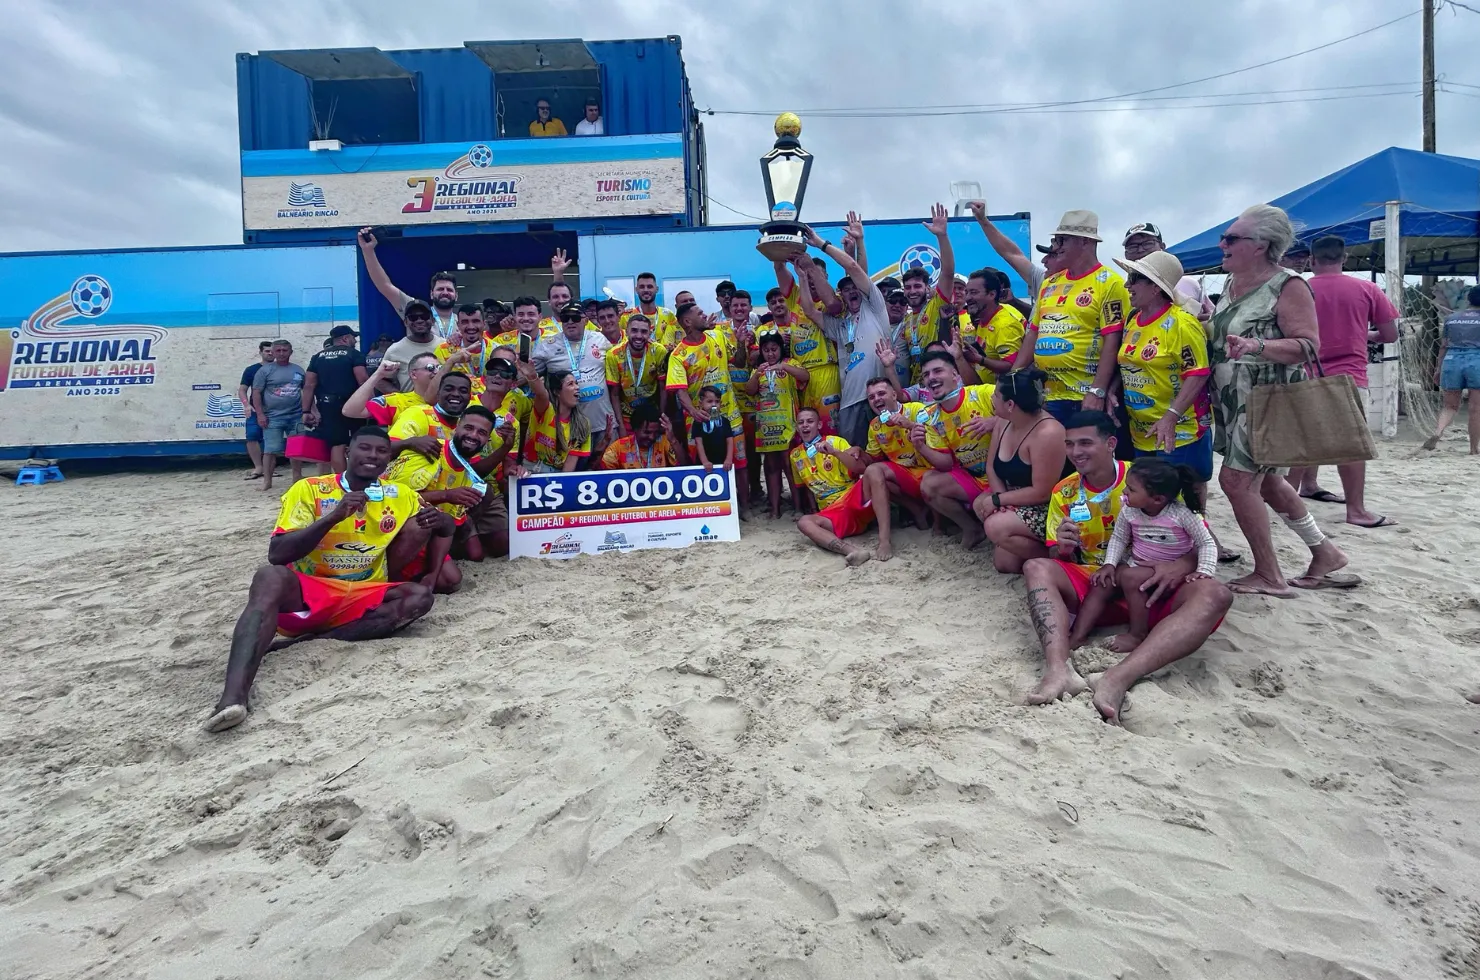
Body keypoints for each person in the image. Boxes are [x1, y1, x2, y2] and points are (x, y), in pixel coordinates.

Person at [205, 426, 452, 733]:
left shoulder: (399, 494)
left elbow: (447, 529)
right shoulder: (310, 488)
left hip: (363, 593)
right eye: (365, 448)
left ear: (389, 459)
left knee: (420, 598)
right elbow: (277, 553)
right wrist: (333, 517)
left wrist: (440, 528)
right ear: (348, 453)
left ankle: (312, 642)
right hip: (310, 593)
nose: (373, 456)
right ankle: (232, 699)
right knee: (269, 577)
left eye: (381, 451)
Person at [1022, 412, 1233, 722]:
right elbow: (1058, 561)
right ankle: (1057, 669)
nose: (1076, 452)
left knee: (1217, 594)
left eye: (1085, 443)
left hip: (1154, 584)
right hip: (1099, 582)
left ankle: (1118, 678)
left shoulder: (1147, 478)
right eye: (1070, 444)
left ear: (1110, 444)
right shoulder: (1063, 491)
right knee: (1035, 567)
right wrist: (1064, 548)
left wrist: (1182, 563)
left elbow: (1205, 537)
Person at [1210, 204, 1352, 596]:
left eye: (1232, 238)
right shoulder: (1232, 285)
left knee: (1236, 483)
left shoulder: (1287, 284)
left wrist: (1257, 344)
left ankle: (1270, 575)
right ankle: (1325, 552)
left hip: (1265, 401)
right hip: (1233, 400)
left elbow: (1308, 345)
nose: (1222, 243)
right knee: (1269, 482)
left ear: (1260, 245)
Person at [1285, 235, 1401, 527]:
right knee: (1350, 444)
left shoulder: (1299, 289)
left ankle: (1291, 500)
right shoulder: (1366, 288)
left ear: (1312, 260)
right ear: (1344, 258)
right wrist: (1365, 334)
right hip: (1349, 374)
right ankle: (1356, 510)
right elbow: (1390, 335)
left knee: (1302, 440)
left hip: (1303, 371)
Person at [1068, 457, 1217, 652]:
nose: (1124, 492)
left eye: (1131, 489)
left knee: (1130, 578)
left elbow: (1206, 542)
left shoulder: (1181, 515)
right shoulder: (1130, 511)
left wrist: (1204, 570)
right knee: (1101, 583)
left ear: (1157, 499)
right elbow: (1119, 538)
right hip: (1136, 564)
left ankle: (1137, 634)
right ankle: (1077, 636)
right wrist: (1110, 564)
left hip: (1164, 575)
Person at [1112, 250, 1217, 509]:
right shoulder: (1133, 320)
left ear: (1156, 287)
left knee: (1185, 497)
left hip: (1179, 429)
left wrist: (1171, 416)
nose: (1128, 285)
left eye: (1135, 278)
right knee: (1152, 498)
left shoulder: (1182, 324)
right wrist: (1110, 392)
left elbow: (1198, 373)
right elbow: (1126, 363)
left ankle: (1205, 543)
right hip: (1143, 427)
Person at [1013, 211, 1129, 430]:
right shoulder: (1050, 283)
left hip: (1084, 396)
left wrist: (1098, 390)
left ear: (1085, 241)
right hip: (1047, 395)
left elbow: (1112, 342)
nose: (1056, 246)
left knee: (1085, 459)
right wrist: (1012, 376)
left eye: (1062, 240)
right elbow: (1034, 333)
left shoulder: (1110, 282)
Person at [801, 213, 892, 449]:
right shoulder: (841, 326)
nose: (850, 291)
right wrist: (803, 275)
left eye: (854, 287)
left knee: (888, 454)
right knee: (854, 459)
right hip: (849, 403)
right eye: (845, 289)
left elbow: (853, 267)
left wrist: (821, 244)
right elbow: (810, 311)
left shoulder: (874, 307)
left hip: (878, 397)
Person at [384, 405, 495, 591]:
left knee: (450, 580)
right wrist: (447, 495)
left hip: (427, 532)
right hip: (388, 527)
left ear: (488, 439)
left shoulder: (469, 474)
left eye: (482, 432)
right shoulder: (429, 451)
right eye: (469, 428)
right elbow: (392, 498)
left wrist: (432, 577)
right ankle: (385, 581)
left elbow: (448, 526)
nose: (474, 435)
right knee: (423, 520)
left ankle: (417, 577)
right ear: (457, 427)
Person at [973, 370, 1067, 572]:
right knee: (1005, 564)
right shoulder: (1003, 420)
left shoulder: (1048, 432)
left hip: (1048, 505)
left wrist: (999, 501)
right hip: (1014, 495)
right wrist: (999, 498)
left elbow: (1043, 492)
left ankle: (1056, 558)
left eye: (996, 395)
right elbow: (992, 467)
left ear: (1010, 405)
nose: (992, 398)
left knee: (995, 525)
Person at [666, 301, 748, 510]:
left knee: (739, 463)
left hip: (729, 414)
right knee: (702, 465)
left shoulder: (717, 336)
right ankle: (707, 507)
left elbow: (739, 362)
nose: (705, 315)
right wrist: (694, 412)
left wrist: (740, 344)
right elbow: (680, 390)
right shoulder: (678, 355)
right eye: (699, 313)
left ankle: (744, 508)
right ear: (687, 321)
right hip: (699, 422)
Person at [913, 350, 999, 548]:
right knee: (929, 484)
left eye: (937, 371)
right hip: (974, 477)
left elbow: (1027, 414)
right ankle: (971, 529)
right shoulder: (929, 416)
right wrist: (920, 447)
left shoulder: (984, 393)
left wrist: (995, 421)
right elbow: (946, 464)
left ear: (955, 374)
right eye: (926, 375)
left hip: (1005, 477)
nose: (931, 378)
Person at [462, 345, 530, 559]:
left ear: (512, 383)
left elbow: (508, 464)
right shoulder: (465, 404)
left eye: (504, 374)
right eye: (492, 371)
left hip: (489, 487)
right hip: (458, 482)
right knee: (474, 554)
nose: (497, 376)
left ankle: (472, 530)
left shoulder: (513, 423)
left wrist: (516, 469)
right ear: (485, 376)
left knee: (503, 547)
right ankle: (464, 531)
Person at [860, 377, 933, 561]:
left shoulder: (916, 409)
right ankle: (884, 540)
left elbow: (938, 438)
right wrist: (857, 452)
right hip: (905, 476)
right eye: (871, 397)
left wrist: (909, 424)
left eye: (881, 393)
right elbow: (872, 460)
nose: (876, 399)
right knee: (872, 473)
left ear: (894, 395)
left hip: (932, 473)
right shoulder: (875, 425)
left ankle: (926, 515)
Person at [792, 406, 874, 564]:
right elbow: (805, 488)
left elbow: (861, 469)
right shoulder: (795, 455)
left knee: (874, 473)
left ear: (819, 425)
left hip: (853, 498)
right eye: (801, 422)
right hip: (833, 512)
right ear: (797, 427)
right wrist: (813, 510)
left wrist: (834, 452)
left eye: (810, 421)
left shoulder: (836, 441)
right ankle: (851, 551)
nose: (805, 425)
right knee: (804, 522)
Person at [534, 301, 615, 459]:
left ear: (585, 320)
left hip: (603, 423)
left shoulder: (600, 339)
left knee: (606, 470)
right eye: (565, 318)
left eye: (575, 317)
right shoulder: (547, 346)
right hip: (567, 427)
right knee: (573, 473)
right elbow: (529, 376)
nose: (570, 322)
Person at [746, 330, 809, 518]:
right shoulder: (759, 369)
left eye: (774, 349)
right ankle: (774, 509)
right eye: (766, 350)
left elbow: (805, 377)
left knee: (790, 467)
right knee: (771, 467)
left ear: (781, 349)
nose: (770, 353)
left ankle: (798, 507)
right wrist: (757, 375)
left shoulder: (790, 364)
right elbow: (749, 391)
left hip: (788, 424)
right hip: (766, 426)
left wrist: (783, 367)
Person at [774, 259, 842, 427]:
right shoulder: (795, 296)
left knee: (828, 426)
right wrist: (779, 251)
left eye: (814, 274)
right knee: (804, 427)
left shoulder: (833, 300)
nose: (810, 279)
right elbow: (779, 266)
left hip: (826, 370)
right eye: (806, 274)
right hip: (799, 372)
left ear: (825, 276)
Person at [358, 229, 458, 337]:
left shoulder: (465, 322)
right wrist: (368, 250)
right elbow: (385, 285)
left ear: (456, 296)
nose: (445, 292)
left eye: (449, 290)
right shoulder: (414, 309)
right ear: (431, 294)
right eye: (440, 289)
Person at [898, 205, 958, 382]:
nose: (912, 291)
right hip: (917, 384)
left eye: (917, 286)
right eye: (908, 287)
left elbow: (948, 272)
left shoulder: (936, 304)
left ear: (927, 287)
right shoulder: (906, 321)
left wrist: (942, 236)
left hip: (941, 380)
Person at [301, 325, 369, 474]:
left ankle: (340, 479)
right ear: (345, 338)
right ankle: (356, 476)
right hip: (352, 405)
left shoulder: (318, 356)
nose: (355, 340)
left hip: (327, 406)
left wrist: (306, 410)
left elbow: (309, 384)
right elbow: (363, 380)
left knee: (337, 444)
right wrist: (372, 404)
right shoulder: (354, 354)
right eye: (353, 337)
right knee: (357, 442)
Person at [1122, 222, 1216, 320]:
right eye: (1133, 246)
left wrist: (1209, 321)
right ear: (1126, 255)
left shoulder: (1188, 284)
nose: (1140, 249)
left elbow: (1214, 316)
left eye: (1148, 243)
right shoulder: (1123, 290)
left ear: (1162, 246)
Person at [1427, 285, 1480, 454]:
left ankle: (1438, 432)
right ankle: (1473, 448)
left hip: (1451, 360)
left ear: (1467, 299)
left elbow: (1443, 346)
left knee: (1449, 406)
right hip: (1476, 360)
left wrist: (1438, 369)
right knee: (1475, 408)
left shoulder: (1452, 318)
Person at [251, 340, 308, 493]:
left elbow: (307, 392)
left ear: (291, 352)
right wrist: (260, 414)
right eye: (278, 351)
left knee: (296, 449)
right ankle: (267, 482)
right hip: (272, 417)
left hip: (296, 416)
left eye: (285, 350)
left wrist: (310, 411)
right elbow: (256, 393)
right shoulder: (264, 371)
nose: (282, 353)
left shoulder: (299, 370)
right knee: (270, 450)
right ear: (273, 353)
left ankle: (297, 479)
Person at [387, 371, 471, 461]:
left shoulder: (468, 427)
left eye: (463, 391)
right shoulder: (418, 413)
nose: (456, 394)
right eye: (449, 389)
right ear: (438, 393)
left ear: (470, 397)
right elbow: (384, 449)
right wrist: (410, 443)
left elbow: (473, 469)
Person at [605, 312, 668, 432]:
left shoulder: (659, 351)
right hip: (626, 416)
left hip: (652, 415)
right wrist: (621, 427)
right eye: (634, 331)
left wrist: (661, 418)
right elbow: (614, 394)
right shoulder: (613, 355)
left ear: (650, 333)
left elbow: (663, 388)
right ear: (626, 331)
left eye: (644, 332)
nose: (639, 336)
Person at [345, 352, 441, 429]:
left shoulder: (450, 400)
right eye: (430, 368)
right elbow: (350, 411)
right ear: (413, 374)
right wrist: (378, 375)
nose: (437, 372)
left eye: (439, 368)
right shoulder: (398, 401)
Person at [962, 267, 1027, 383]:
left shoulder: (1005, 325)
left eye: (974, 292)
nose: (967, 298)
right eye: (966, 292)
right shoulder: (984, 317)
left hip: (1002, 397)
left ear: (992, 294)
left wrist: (979, 359)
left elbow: (1011, 367)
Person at [523, 364, 591, 473]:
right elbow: (541, 394)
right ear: (557, 392)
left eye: (577, 383)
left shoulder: (583, 424)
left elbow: (569, 467)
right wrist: (532, 376)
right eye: (570, 384)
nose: (577, 387)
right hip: (531, 469)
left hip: (557, 474)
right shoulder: (546, 410)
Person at [383, 300, 444, 390]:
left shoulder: (445, 346)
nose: (419, 320)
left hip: (440, 403)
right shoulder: (394, 350)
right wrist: (399, 397)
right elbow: (380, 380)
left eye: (424, 316)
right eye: (413, 317)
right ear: (406, 322)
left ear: (433, 320)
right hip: (410, 404)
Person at [602, 401, 679, 469]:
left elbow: (685, 467)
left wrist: (673, 440)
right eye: (647, 432)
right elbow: (598, 472)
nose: (652, 437)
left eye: (656, 433)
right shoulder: (619, 447)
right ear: (635, 428)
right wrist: (605, 442)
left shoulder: (664, 442)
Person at [239, 340, 274, 479]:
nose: (270, 353)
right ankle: (258, 467)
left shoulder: (281, 369)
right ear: (260, 352)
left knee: (271, 439)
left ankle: (269, 469)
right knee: (252, 437)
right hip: (255, 410)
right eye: (267, 351)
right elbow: (242, 390)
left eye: (272, 351)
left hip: (275, 410)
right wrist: (246, 404)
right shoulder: (251, 370)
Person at [622, 273, 679, 349]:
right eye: (642, 287)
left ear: (656, 289)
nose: (646, 290)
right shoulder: (626, 316)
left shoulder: (668, 315)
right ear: (636, 290)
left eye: (650, 287)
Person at [691, 386, 738, 475]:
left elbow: (730, 441)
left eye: (717, 401)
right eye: (709, 401)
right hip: (704, 465)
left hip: (723, 463)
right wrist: (705, 461)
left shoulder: (725, 421)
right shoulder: (698, 422)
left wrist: (728, 459)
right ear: (701, 403)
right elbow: (698, 443)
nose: (714, 405)